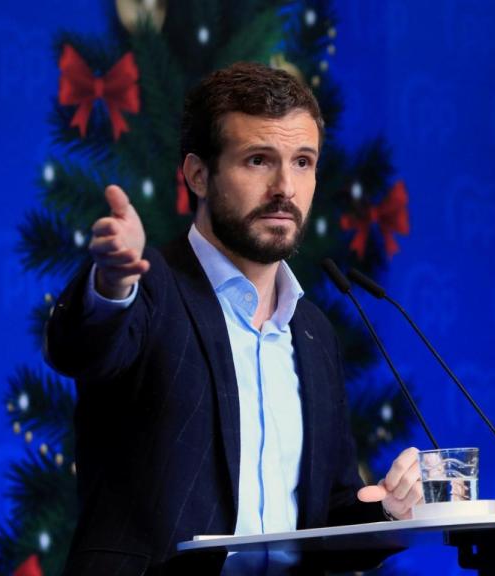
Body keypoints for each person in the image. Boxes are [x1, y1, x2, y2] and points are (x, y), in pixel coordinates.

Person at [45, 62, 422, 575]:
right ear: (198, 174)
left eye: (304, 161)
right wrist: (112, 284)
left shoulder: (312, 330)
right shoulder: (149, 288)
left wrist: (387, 510)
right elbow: (80, 347)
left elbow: (325, 510)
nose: (285, 187)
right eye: (258, 160)